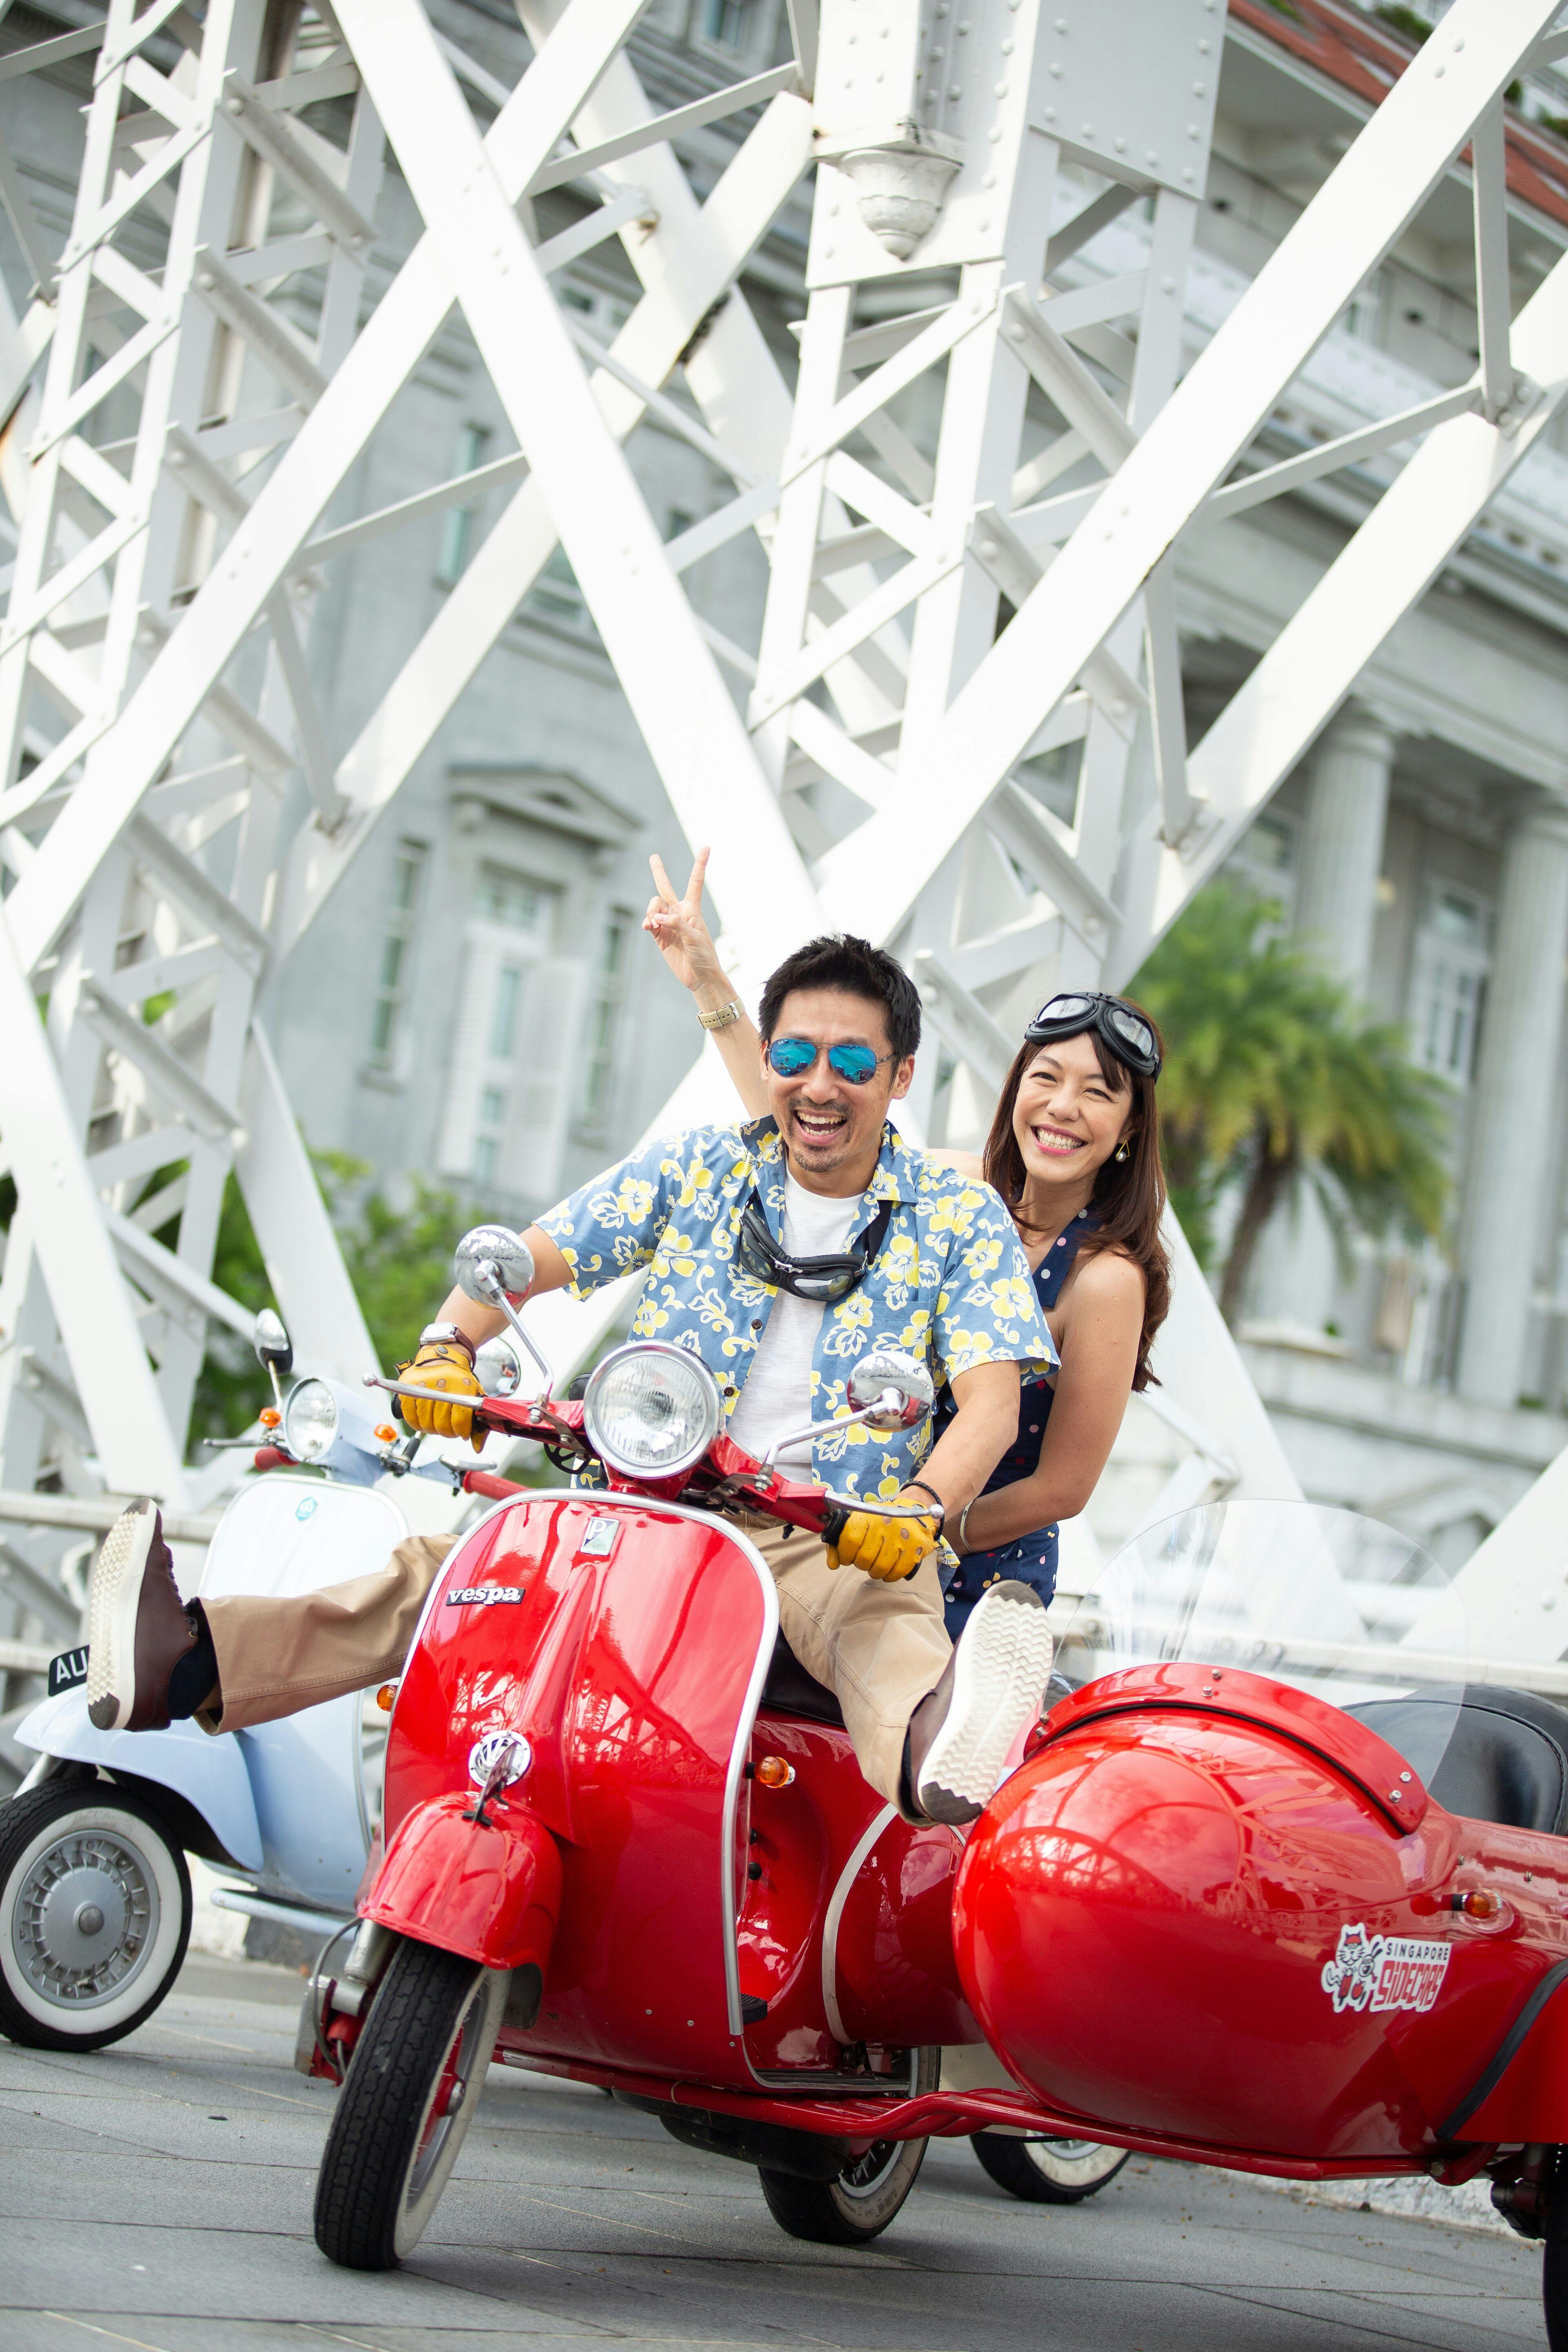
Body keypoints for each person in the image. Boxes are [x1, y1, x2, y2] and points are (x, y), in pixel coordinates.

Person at [85, 933, 1058, 1827]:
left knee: (880, 1626)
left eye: (852, 1063)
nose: (819, 1084)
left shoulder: (959, 1217)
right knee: (468, 1569)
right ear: (766, 1061)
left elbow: (990, 1402)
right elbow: (528, 1258)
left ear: (899, 1078)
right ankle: (187, 1662)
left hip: (833, 1527)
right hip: (651, 1500)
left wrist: (921, 1507)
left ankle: (944, 1742)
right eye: (795, 1055)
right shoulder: (699, 1167)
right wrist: (445, 1346)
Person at [644, 851, 1169, 1639]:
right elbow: (812, 1130)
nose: (1062, 1108)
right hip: (853, 1545)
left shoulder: (1105, 1279)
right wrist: (710, 986)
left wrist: (917, 1527)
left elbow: (1062, 1487)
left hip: (967, 1572)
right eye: (1046, 1079)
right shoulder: (956, 1194)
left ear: (1130, 1130)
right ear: (1015, 1088)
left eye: (1098, 1093)